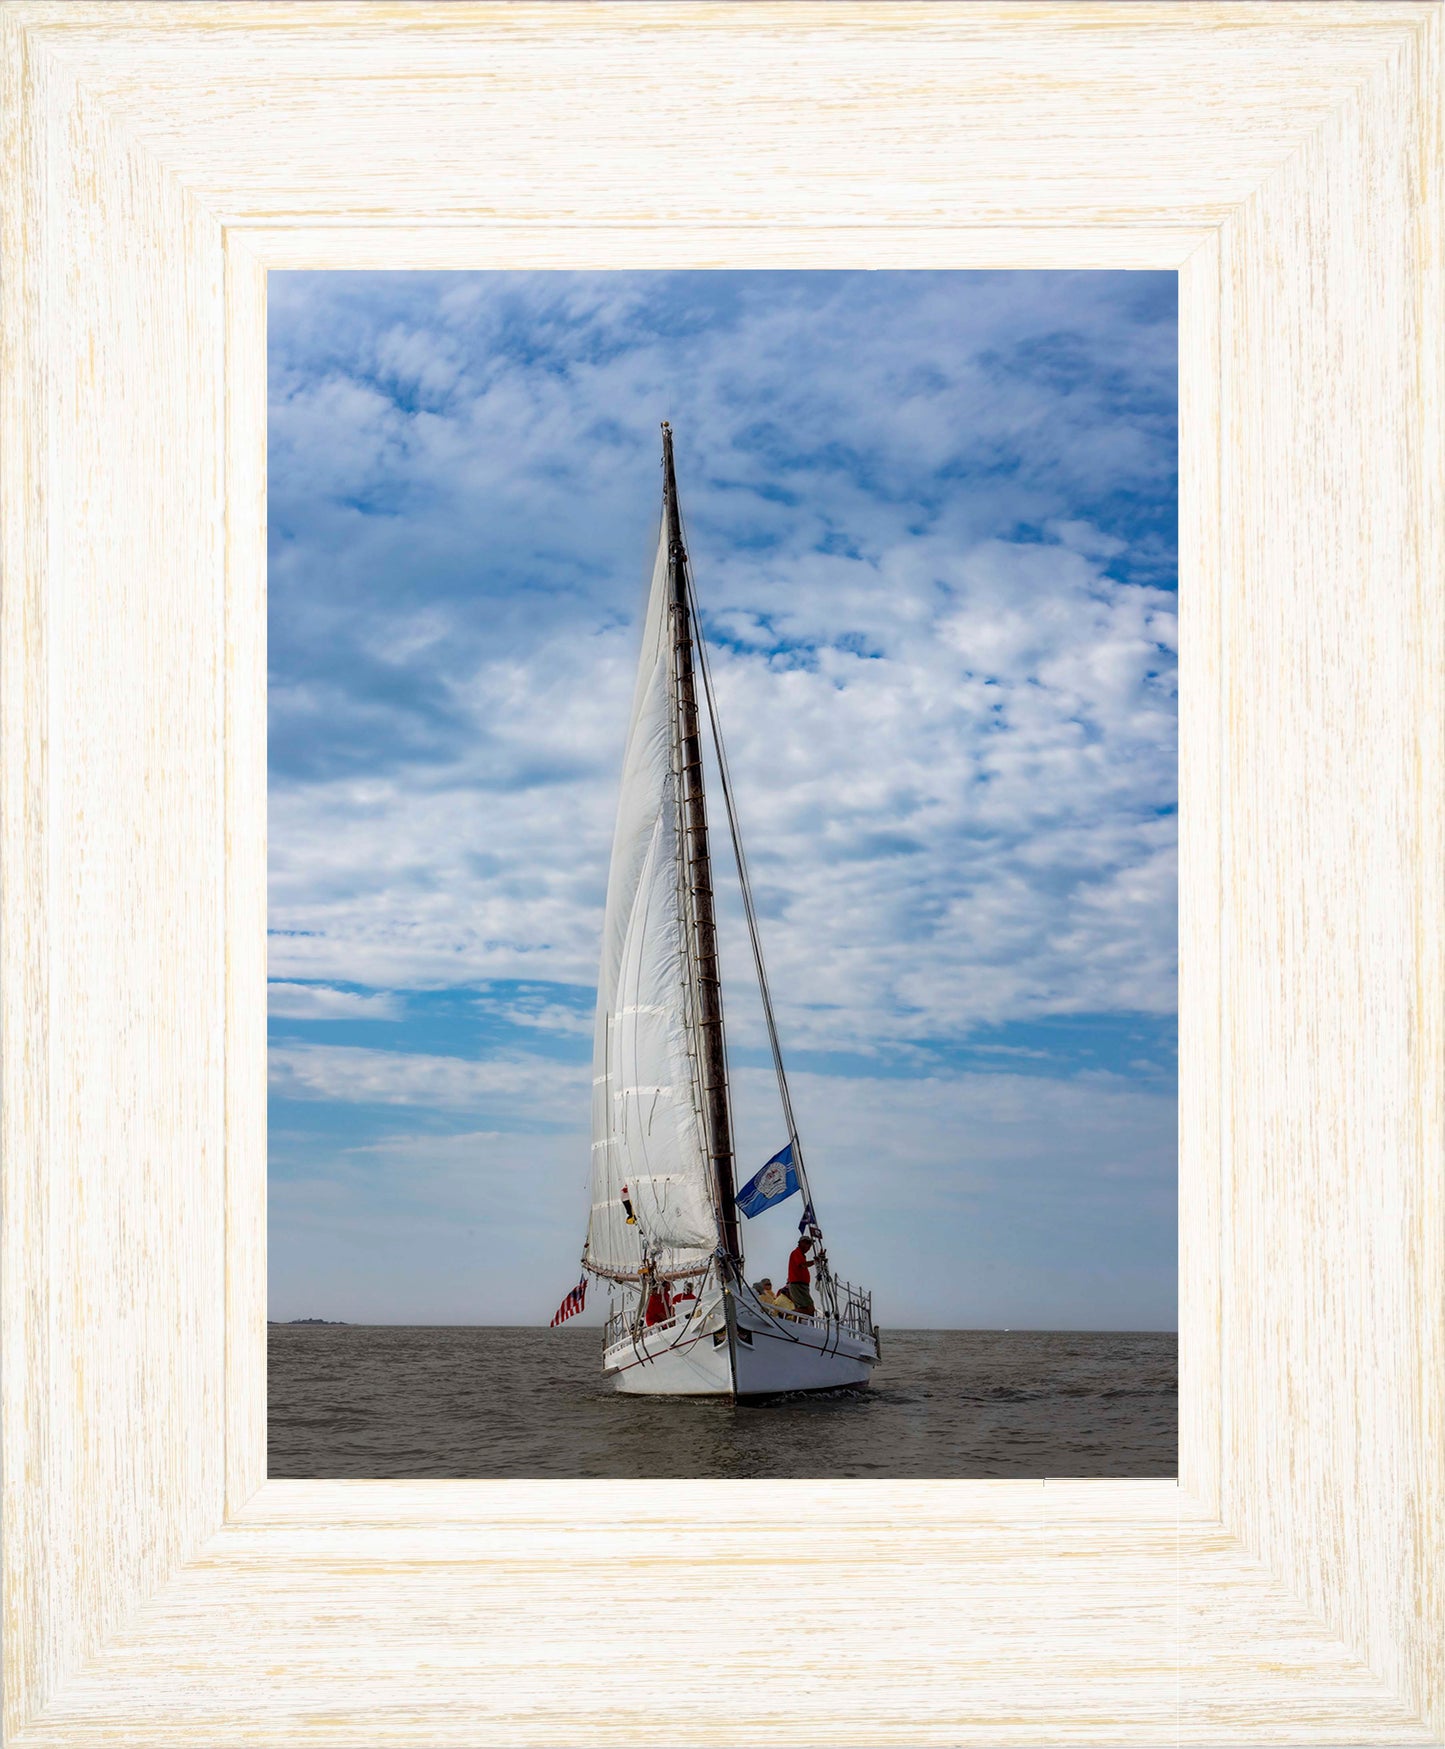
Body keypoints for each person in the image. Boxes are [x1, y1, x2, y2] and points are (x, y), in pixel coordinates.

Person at [784, 1236, 816, 1315]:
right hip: (798, 1285)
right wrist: (815, 1261)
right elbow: (803, 1265)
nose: (809, 1247)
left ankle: (792, 1319)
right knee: (807, 1309)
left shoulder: (801, 1255)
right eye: (808, 1243)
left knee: (809, 1309)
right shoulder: (796, 1252)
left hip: (802, 1285)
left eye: (810, 1245)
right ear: (801, 1243)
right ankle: (787, 1315)